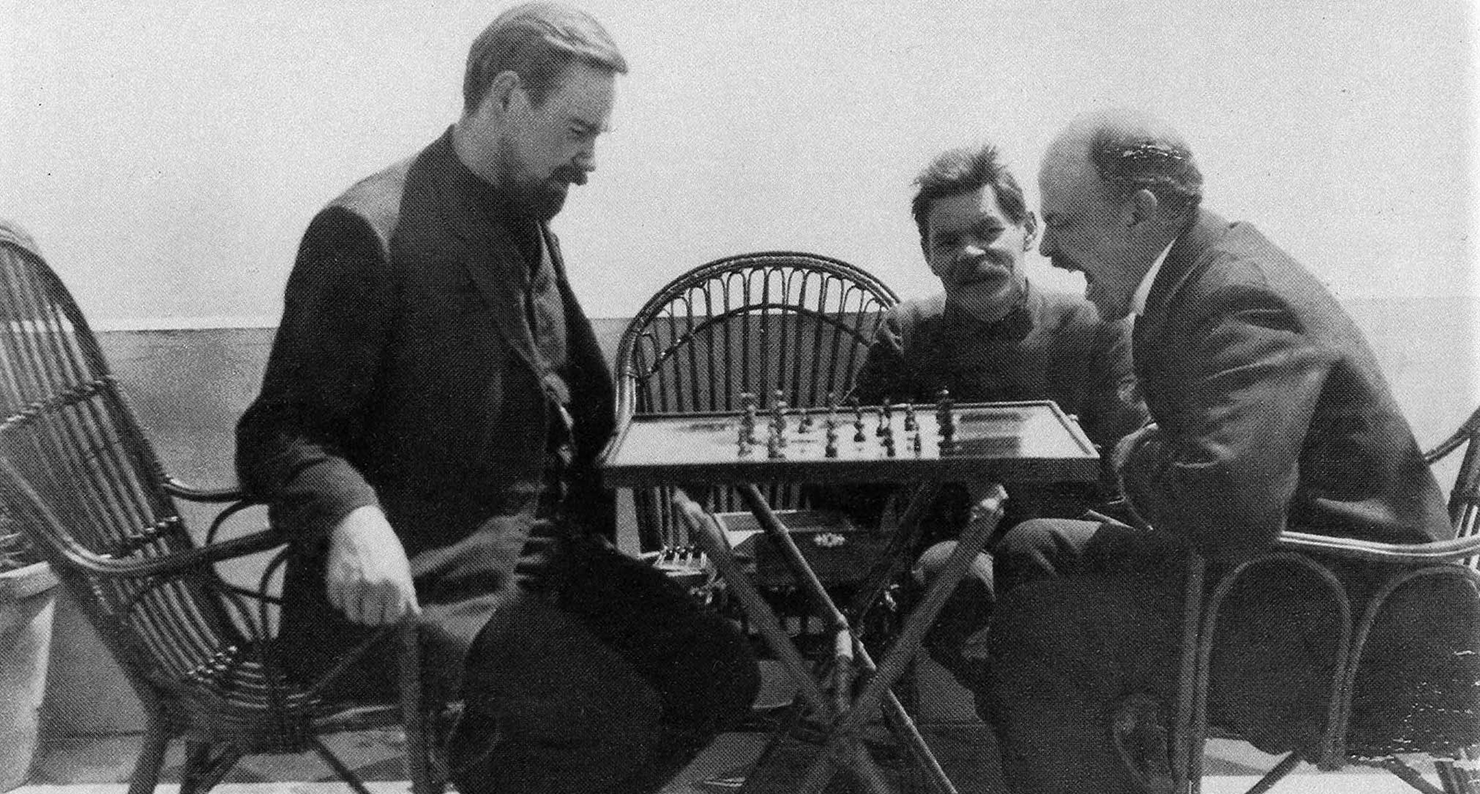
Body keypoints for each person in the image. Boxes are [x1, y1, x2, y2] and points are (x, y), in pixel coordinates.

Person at [235, 6, 758, 794]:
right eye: (578, 131)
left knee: (719, 672)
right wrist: (351, 514)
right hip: (421, 581)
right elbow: (280, 430)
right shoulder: (366, 229)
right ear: (508, 97)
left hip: (532, 565)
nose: (588, 162)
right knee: (604, 718)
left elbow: (575, 398)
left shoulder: (529, 218)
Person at [981, 108, 1463, 794]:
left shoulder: (1237, 294)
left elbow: (1226, 509)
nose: (1049, 251)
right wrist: (1159, 457)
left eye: (1062, 224)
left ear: (1138, 212)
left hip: (1354, 638)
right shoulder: (1197, 275)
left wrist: (1132, 459)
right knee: (1034, 547)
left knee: (1039, 632)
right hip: (1297, 582)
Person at [831, 143, 1146, 690]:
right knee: (951, 581)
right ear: (929, 255)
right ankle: (1029, 712)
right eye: (948, 242)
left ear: (1026, 230)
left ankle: (1034, 716)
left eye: (988, 231)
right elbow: (850, 490)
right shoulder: (908, 333)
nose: (970, 253)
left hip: (1063, 560)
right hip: (955, 557)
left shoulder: (1093, 326)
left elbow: (1126, 472)